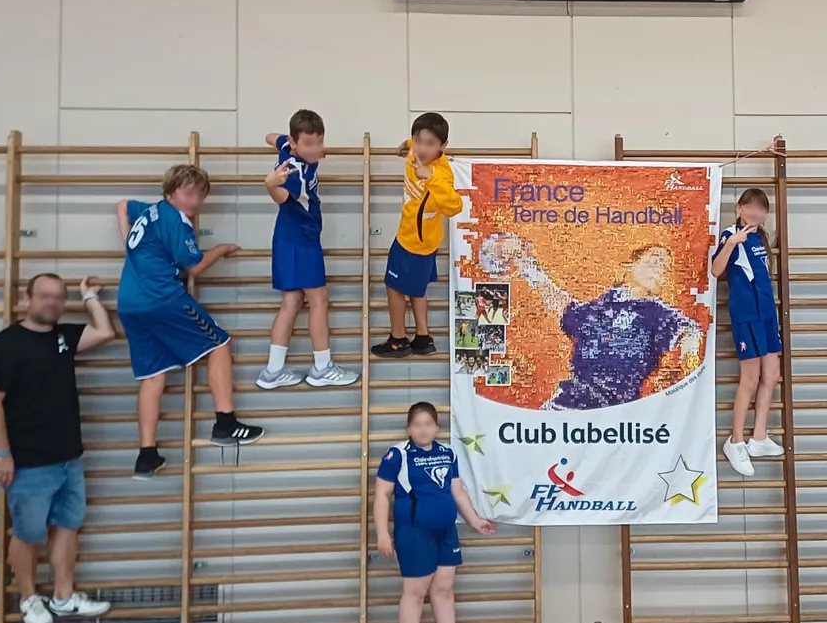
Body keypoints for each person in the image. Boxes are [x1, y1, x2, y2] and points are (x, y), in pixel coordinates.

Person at [0, 273, 117, 623]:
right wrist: (2, 453)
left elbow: (104, 333)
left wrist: (88, 296)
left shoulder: (63, 337)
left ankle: (63, 596)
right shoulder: (2, 346)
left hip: (69, 457)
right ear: (27, 299)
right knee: (27, 534)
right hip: (27, 462)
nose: (52, 303)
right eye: (44, 296)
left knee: (68, 526)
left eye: (58, 297)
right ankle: (29, 599)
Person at [116, 165, 263, 479]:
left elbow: (122, 205)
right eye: (189, 193)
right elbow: (194, 267)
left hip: (129, 303)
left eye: (200, 195)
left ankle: (147, 454)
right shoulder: (175, 221)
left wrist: (128, 244)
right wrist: (221, 249)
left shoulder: (151, 211)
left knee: (153, 376)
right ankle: (225, 423)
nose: (195, 201)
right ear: (171, 193)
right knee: (220, 344)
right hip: (161, 299)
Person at [480, 234, 704, 410]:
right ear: (630, 266)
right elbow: (564, 306)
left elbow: (689, 330)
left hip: (617, 415)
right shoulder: (601, 307)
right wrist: (529, 268)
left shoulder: (658, 314)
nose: (659, 266)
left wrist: (689, 352)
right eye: (653, 259)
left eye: (664, 265)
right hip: (567, 407)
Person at [374, 401, 496, 623]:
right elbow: (382, 495)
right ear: (409, 428)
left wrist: (474, 520)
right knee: (415, 592)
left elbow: (458, 491)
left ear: (437, 427)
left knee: (444, 589)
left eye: (428, 424)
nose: (423, 429)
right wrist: (382, 532)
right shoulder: (398, 455)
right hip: (414, 531)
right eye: (417, 424)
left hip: (445, 531)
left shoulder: (447, 453)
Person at [257, 110, 358, 390]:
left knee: (291, 302)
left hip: (287, 239)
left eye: (319, 142)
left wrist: (296, 146)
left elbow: (270, 136)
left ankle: (273, 370)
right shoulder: (292, 172)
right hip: (301, 241)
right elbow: (282, 197)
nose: (316, 149)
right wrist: (270, 184)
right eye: (309, 144)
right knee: (318, 300)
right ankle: (322, 367)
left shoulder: (288, 147)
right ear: (296, 141)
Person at [373, 113, 463, 358]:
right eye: (418, 140)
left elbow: (455, 205)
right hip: (412, 237)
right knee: (417, 290)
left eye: (430, 143)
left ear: (443, 146)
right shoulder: (416, 149)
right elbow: (414, 142)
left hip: (415, 243)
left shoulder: (441, 173)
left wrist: (430, 177)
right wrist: (406, 144)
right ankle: (423, 338)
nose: (422, 148)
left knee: (393, 286)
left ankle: (398, 339)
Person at [711, 187, 781, 478]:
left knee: (772, 375)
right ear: (739, 208)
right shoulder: (732, 235)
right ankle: (735, 440)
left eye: (761, 209)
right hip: (747, 316)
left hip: (766, 313)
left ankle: (759, 436)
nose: (755, 212)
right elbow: (715, 271)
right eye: (750, 207)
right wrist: (731, 244)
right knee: (750, 379)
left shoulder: (759, 237)